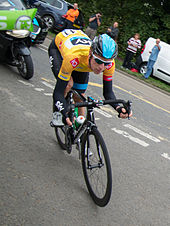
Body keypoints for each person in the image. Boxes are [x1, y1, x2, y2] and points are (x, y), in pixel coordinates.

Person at [48, 29, 132, 126]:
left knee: (80, 96)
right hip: (59, 48)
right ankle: (57, 115)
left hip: (83, 61)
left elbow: (108, 93)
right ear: (90, 53)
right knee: (67, 85)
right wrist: (65, 112)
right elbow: (57, 92)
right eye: (99, 61)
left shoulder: (109, 64)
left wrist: (118, 108)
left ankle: (80, 128)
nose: (101, 67)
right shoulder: (73, 57)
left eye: (106, 63)